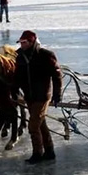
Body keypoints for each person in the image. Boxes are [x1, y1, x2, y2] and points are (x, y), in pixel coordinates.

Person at [14, 30, 62, 164]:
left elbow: (57, 75)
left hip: (42, 96)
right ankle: (49, 151)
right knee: (41, 124)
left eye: (24, 42)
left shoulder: (45, 55)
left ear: (32, 42)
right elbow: (17, 75)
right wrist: (14, 90)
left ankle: (37, 154)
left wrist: (57, 94)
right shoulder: (19, 56)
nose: (22, 45)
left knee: (33, 125)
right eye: (21, 42)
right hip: (29, 96)